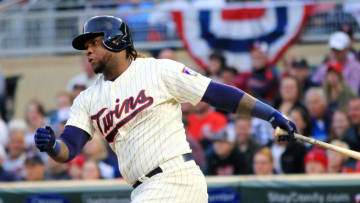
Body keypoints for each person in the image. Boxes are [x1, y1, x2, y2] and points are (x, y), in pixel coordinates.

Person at [34, 15, 297, 202]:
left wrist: (271, 114)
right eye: (86, 47)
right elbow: (69, 148)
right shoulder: (87, 98)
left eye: (94, 43)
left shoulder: (158, 70)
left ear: (115, 41)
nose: (88, 51)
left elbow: (218, 93)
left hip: (173, 179)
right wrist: (52, 146)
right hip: (143, 189)